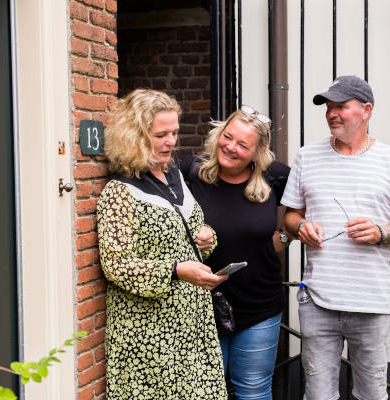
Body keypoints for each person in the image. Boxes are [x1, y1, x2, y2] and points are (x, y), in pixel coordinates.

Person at [281, 75, 390, 400]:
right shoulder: (307, 156)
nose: (332, 113)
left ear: (366, 110)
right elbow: (290, 216)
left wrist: (380, 232)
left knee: (371, 395)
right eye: (328, 107)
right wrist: (300, 227)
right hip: (318, 301)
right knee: (318, 395)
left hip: (371, 302)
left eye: (341, 106)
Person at [97, 89, 228, 400]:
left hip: (192, 327)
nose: (172, 141)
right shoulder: (120, 192)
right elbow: (116, 264)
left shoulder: (174, 176)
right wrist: (175, 271)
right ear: (136, 136)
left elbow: (192, 235)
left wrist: (206, 236)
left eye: (174, 132)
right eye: (161, 135)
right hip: (148, 334)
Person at [179, 105, 292, 400]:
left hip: (259, 305)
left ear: (258, 152)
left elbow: (306, 208)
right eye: (227, 137)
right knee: (202, 393)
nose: (230, 147)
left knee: (253, 391)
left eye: (243, 144)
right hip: (199, 305)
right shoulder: (189, 172)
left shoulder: (275, 177)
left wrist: (281, 237)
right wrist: (189, 238)